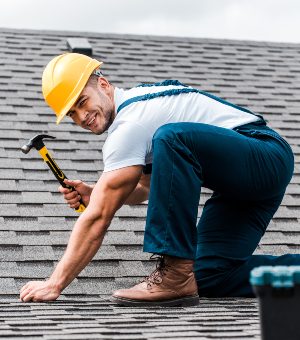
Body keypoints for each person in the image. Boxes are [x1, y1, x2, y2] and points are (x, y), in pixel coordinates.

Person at [19, 53, 298, 306]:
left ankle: (174, 273)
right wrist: (95, 191)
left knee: (172, 136)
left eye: (82, 102)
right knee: (210, 274)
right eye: (72, 114)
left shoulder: (131, 123)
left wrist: (55, 282)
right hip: (242, 184)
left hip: (265, 154)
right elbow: (145, 188)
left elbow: (98, 216)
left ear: (103, 85)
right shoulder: (138, 116)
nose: (82, 117)